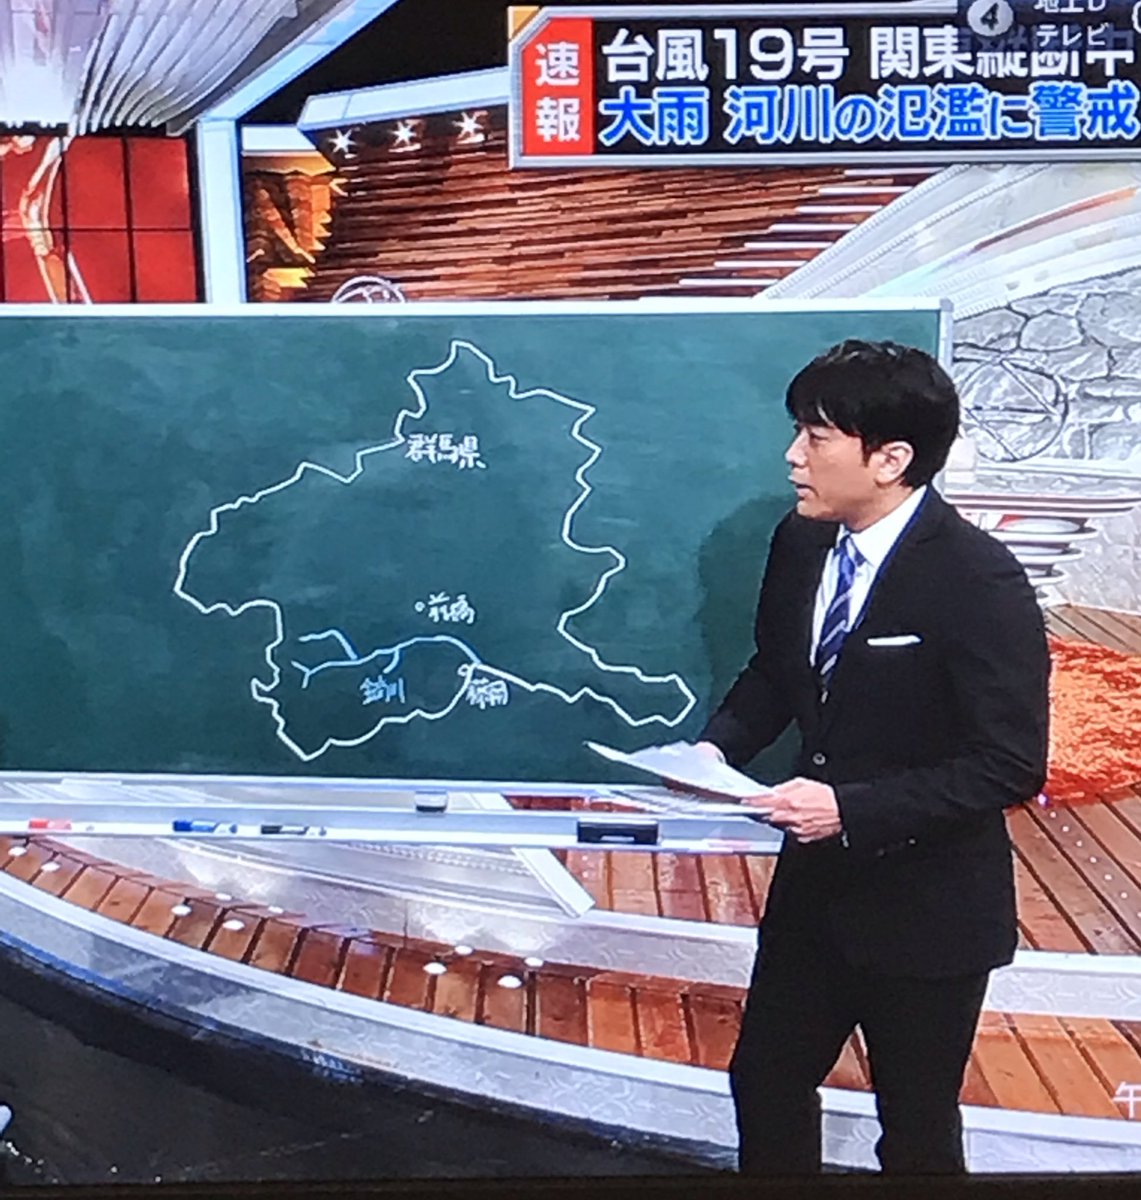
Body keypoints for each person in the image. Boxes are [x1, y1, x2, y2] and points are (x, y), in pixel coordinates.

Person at [696, 339, 1050, 1175]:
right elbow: (777, 671)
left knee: (915, 1127)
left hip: (927, 908)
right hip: (813, 894)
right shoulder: (801, 541)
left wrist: (849, 809)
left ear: (890, 459)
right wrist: (711, 749)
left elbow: (1008, 762)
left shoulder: (976, 579)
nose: (792, 456)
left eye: (815, 437)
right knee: (765, 1083)